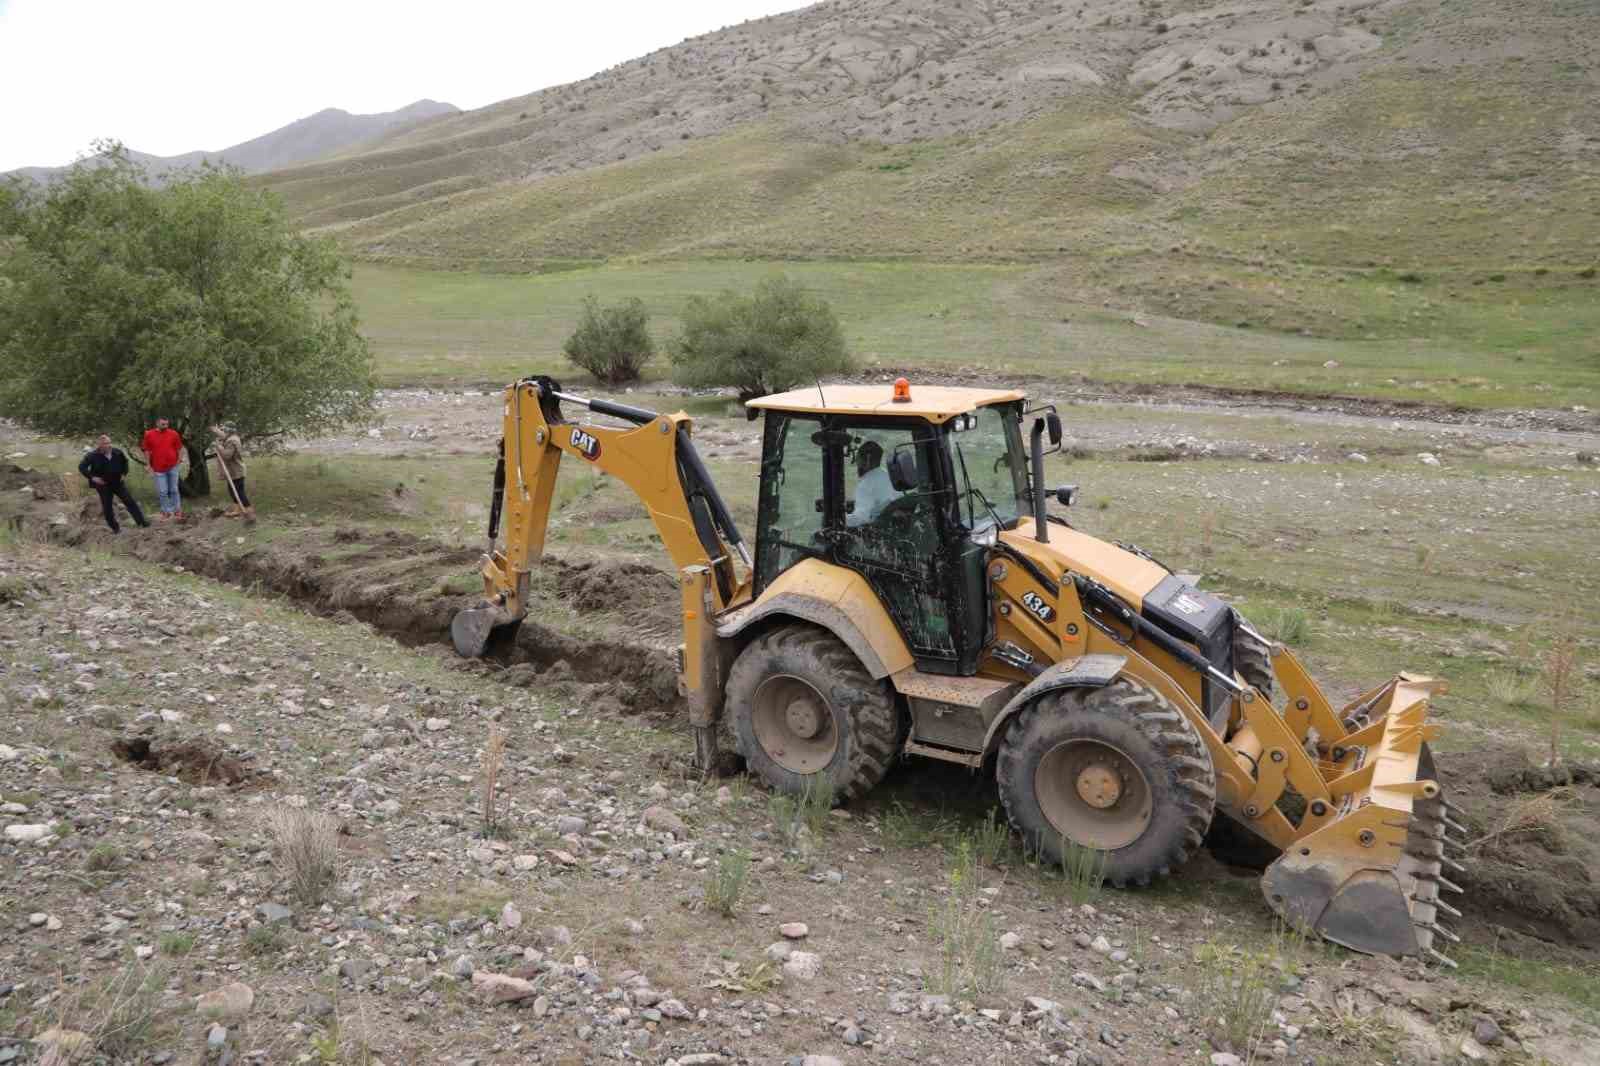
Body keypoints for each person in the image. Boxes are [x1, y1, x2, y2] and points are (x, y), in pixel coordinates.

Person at [78, 435, 150, 533]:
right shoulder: (92, 455)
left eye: (109, 443)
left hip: (118, 483)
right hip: (103, 485)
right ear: (99, 445)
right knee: (107, 507)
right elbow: (82, 467)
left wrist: (124, 474)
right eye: (105, 444)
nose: (108, 445)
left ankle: (142, 523)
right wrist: (93, 478)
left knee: (130, 501)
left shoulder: (117, 452)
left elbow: (125, 462)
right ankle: (116, 529)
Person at [140, 416, 184, 520]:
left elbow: (180, 448)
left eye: (167, 424)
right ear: (157, 423)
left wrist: (179, 460)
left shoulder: (173, 433)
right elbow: (146, 450)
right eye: (163, 424)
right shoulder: (149, 434)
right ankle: (166, 511)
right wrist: (147, 464)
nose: (165, 426)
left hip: (173, 466)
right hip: (158, 468)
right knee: (162, 491)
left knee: (174, 489)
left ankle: (177, 510)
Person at [848, 440, 898, 527]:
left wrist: (840, 519)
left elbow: (862, 518)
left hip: (882, 532)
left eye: (857, 459)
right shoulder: (890, 477)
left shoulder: (866, 484)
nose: (857, 464)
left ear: (867, 459)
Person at [210, 425, 253, 518]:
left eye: (224, 430)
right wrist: (216, 431)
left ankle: (249, 511)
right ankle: (237, 510)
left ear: (229, 431)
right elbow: (224, 436)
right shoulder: (232, 437)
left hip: (236, 471)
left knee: (239, 492)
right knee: (233, 491)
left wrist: (218, 446)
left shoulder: (232, 441)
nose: (223, 432)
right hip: (235, 470)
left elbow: (227, 455)